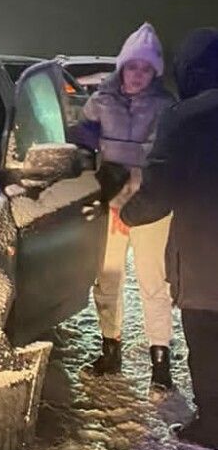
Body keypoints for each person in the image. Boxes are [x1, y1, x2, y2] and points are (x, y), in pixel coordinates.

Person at [123, 28, 218, 446]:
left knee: (207, 343)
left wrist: (127, 211)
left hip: (204, 260)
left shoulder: (184, 118)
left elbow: (157, 195)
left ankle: (212, 424)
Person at [73, 22, 176, 388]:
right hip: (110, 202)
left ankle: (160, 365)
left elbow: (170, 162)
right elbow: (82, 151)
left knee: (153, 282)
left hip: (149, 207)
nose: (137, 75)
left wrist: (138, 193)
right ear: (122, 67)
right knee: (108, 278)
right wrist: (99, 191)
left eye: (146, 68)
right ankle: (110, 349)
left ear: (155, 72)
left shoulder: (167, 109)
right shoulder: (100, 102)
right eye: (132, 66)